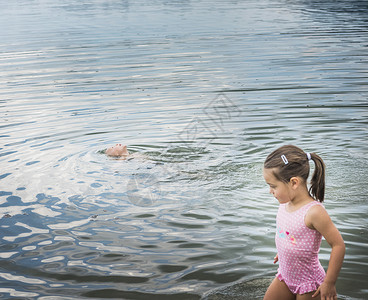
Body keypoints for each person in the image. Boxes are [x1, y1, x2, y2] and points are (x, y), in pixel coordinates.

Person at [263, 145, 345, 300]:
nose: (270, 191)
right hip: (286, 275)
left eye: (273, 186)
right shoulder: (284, 203)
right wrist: (284, 250)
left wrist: (329, 282)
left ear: (294, 182)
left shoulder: (314, 212)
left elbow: (338, 245)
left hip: (309, 283)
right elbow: (291, 233)